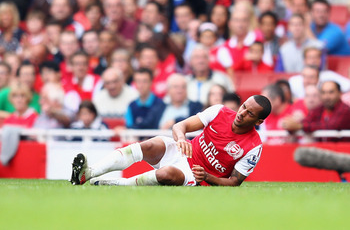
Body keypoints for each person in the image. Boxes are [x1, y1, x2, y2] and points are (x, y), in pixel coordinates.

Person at [70, 94, 271, 186]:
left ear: (259, 121)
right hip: (184, 151)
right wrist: (182, 138)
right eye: (243, 106)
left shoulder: (253, 146)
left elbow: (235, 182)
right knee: (148, 145)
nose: (241, 113)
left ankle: (117, 184)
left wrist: (208, 177)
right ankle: (88, 173)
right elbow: (179, 126)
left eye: (249, 113)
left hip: (196, 175)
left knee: (165, 174)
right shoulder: (220, 111)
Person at [282, 81, 350, 142]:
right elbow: (307, 121)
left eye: (331, 92)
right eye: (324, 92)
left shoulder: (345, 110)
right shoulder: (320, 109)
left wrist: (300, 126)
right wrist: (291, 125)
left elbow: (331, 126)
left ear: (340, 94)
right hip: (322, 152)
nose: (327, 96)